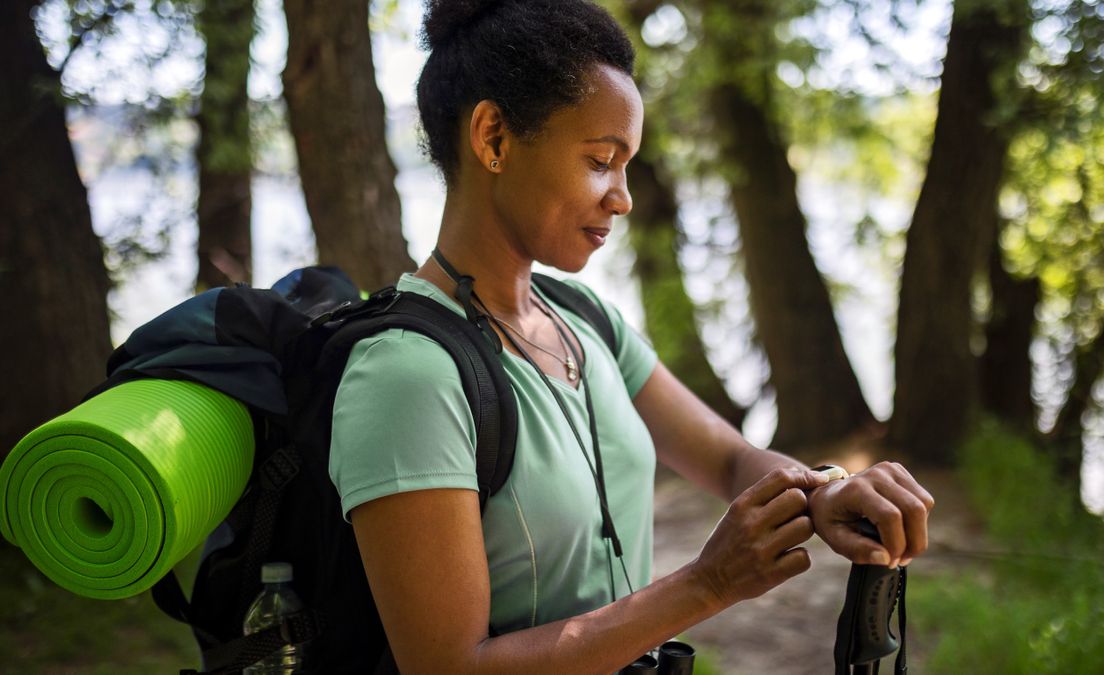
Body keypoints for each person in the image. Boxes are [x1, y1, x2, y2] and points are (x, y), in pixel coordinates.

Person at [329, 1, 935, 672]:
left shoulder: (583, 319)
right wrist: (707, 583)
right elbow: (448, 667)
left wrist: (828, 490)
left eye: (627, 166)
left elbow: (729, 459)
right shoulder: (406, 375)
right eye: (600, 160)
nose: (623, 197)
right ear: (494, 136)